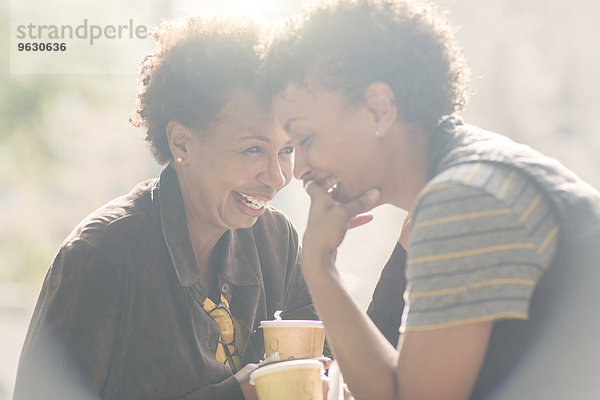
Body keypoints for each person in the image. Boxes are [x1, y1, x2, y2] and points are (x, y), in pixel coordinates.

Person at [264, 0, 600, 398]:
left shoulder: (462, 200)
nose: (300, 168)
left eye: (305, 139)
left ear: (378, 108)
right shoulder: (474, 175)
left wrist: (319, 265)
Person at [13, 15, 319, 400]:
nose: (277, 177)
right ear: (182, 144)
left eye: (287, 149)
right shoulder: (103, 253)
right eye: (253, 149)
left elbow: (337, 374)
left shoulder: (278, 241)